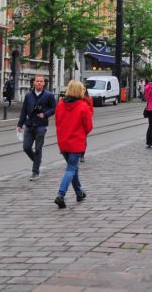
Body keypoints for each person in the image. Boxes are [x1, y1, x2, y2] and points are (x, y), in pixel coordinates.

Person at [53, 80, 93, 208]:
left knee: (73, 167)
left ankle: (79, 193)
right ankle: (61, 194)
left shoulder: (59, 105)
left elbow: (57, 122)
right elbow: (89, 126)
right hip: (76, 143)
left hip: (63, 142)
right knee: (71, 169)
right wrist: (81, 133)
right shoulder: (83, 106)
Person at [17, 75, 57, 180]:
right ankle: (37, 161)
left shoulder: (49, 95)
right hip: (29, 125)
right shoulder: (28, 95)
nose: (39, 83)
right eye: (37, 81)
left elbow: (54, 108)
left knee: (38, 148)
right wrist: (20, 124)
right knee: (26, 147)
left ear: (44, 83)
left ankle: (35, 172)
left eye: (41, 81)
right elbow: (24, 110)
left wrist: (45, 114)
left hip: (41, 125)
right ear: (33, 83)